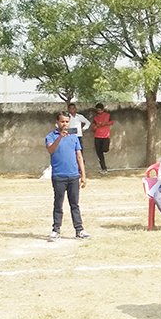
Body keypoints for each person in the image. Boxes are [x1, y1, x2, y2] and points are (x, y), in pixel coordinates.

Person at [45, 112, 90, 241]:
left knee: (74, 204)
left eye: (66, 121)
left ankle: (79, 230)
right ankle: (56, 229)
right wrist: (60, 137)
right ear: (57, 122)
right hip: (59, 176)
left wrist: (83, 175)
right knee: (58, 203)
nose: (64, 124)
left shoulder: (74, 137)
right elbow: (51, 150)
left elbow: (79, 156)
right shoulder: (50, 136)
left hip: (73, 176)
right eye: (62, 121)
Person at [91, 103, 114, 173]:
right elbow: (93, 128)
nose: (99, 111)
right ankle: (104, 169)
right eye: (98, 110)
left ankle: (104, 168)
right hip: (97, 137)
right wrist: (96, 126)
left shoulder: (108, 115)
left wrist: (105, 123)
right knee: (99, 154)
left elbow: (112, 122)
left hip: (105, 136)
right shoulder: (95, 118)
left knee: (105, 149)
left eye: (100, 110)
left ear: (103, 109)